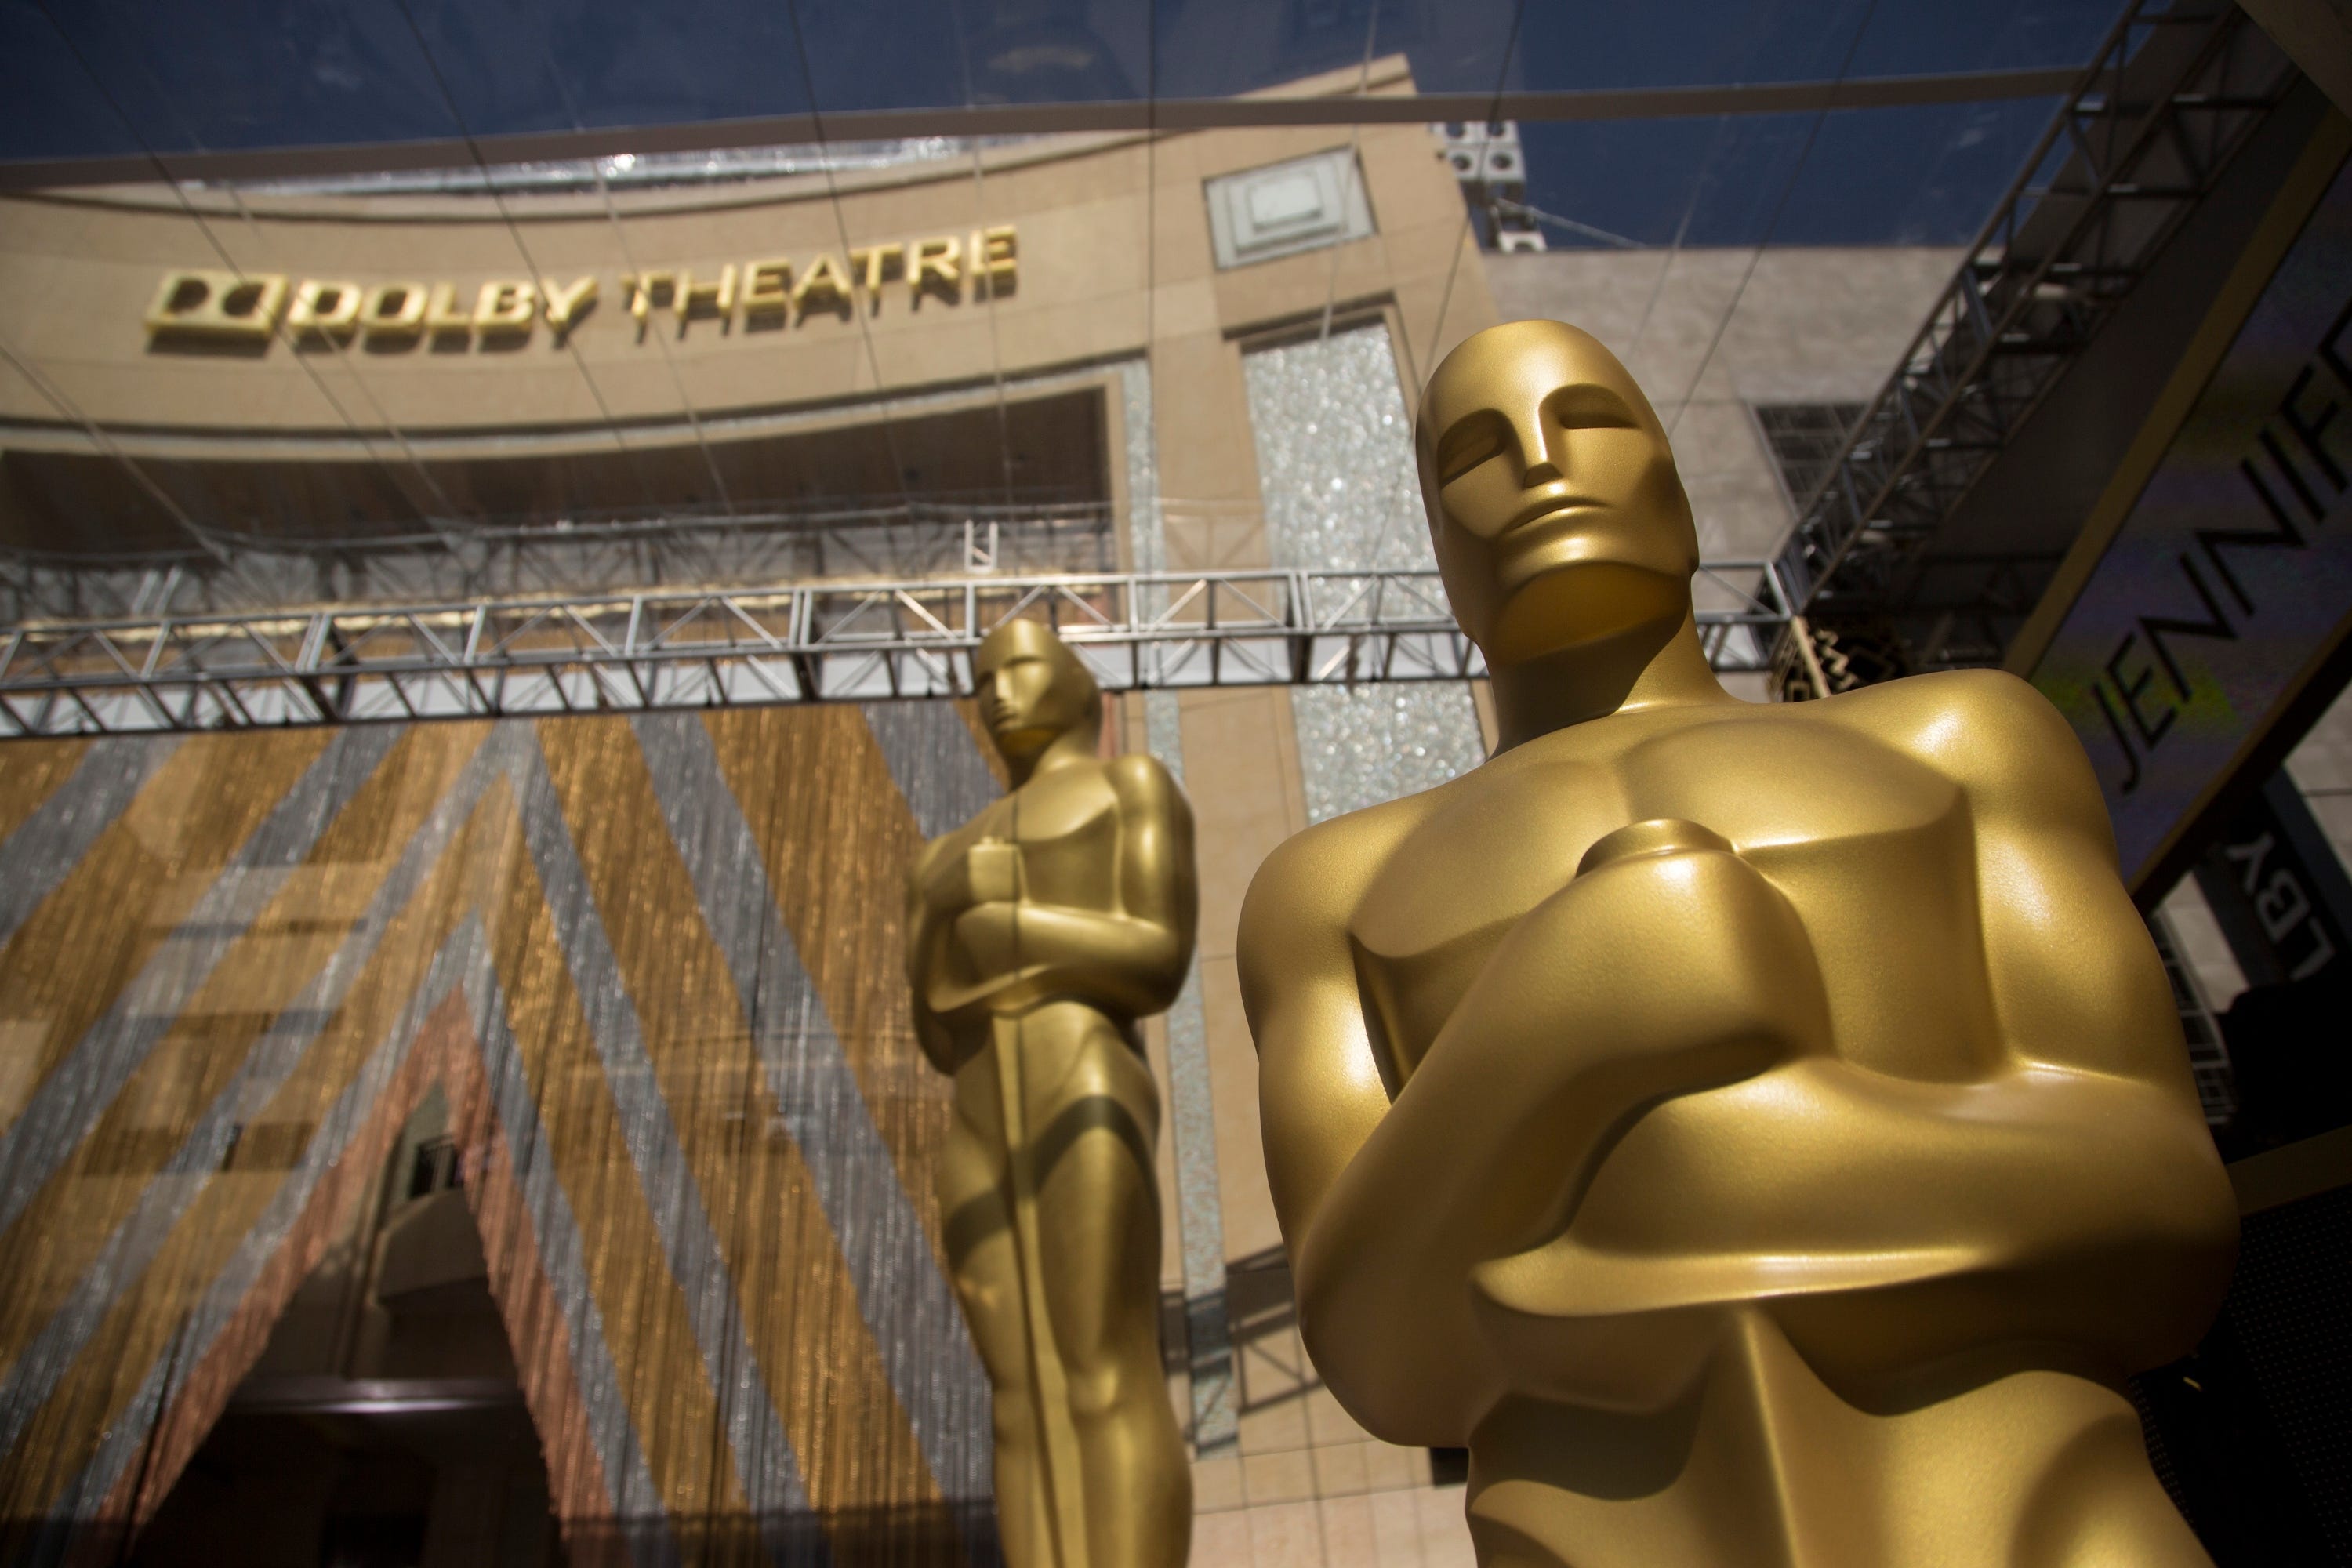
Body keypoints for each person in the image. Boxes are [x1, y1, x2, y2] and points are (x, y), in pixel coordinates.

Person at [1237, 319, 2239, 1566]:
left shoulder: (1953, 744)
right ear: (1438, 549)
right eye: (1478, 455)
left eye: (1589, 420)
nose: (1542, 467)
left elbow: (2164, 1207)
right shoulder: (1331, 888)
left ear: (1676, 474)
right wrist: (1557, 1014)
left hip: (2036, 1509)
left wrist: (1669, 1187)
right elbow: (1379, 1352)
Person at [906, 618, 1195, 1568]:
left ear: (1080, 684)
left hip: (1082, 1079)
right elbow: (937, 1030)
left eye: (1022, 665)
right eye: (982, 674)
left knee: (1100, 1366)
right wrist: (941, 907)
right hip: (980, 1108)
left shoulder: (1130, 786)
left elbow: (1155, 956)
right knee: (1017, 1389)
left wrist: (1012, 923)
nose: (997, 690)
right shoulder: (946, 851)